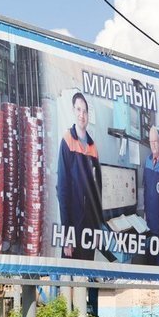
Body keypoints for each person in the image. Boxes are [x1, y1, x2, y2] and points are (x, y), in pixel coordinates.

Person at [57, 92, 103, 260]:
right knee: (70, 275)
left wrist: (98, 229)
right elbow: (62, 191)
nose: (82, 115)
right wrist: (67, 236)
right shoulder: (67, 141)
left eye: (84, 111)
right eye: (78, 110)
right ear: (73, 111)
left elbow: (98, 192)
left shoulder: (93, 147)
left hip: (89, 227)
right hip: (73, 225)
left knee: (88, 272)